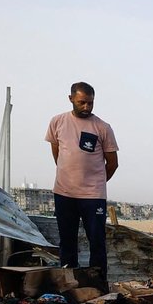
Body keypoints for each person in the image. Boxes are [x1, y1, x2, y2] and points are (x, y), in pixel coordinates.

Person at [45, 81, 118, 276]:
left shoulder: (103, 127)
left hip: (93, 195)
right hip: (64, 193)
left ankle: (98, 282)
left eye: (90, 103)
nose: (86, 107)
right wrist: (68, 176)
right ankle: (69, 280)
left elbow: (112, 163)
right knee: (67, 240)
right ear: (71, 99)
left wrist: (95, 183)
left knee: (96, 240)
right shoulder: (57, 122)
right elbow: (57, 152)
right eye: (82, 102)